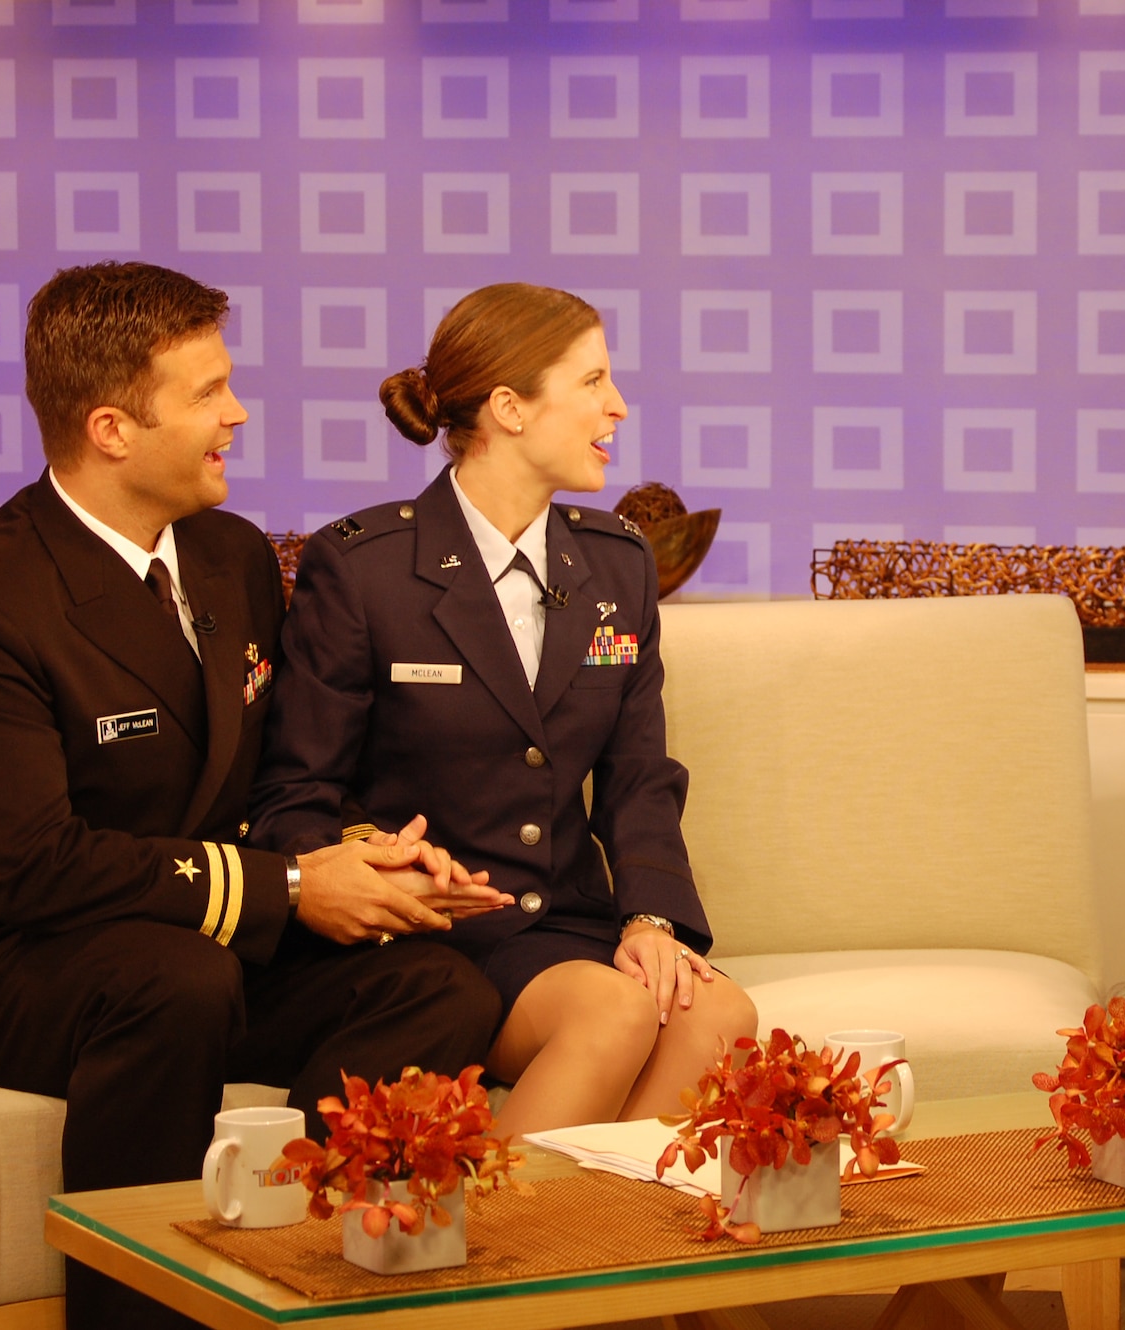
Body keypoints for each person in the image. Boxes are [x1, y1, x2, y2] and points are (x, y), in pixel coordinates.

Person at [0, 262, 502, 1330]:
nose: (238, 412)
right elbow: (32, 865)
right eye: (210, 391)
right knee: (175, 982)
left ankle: (318, 1270)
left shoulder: (229, 555)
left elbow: (263, 778)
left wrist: (359, 856)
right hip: (1, 958)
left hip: (198, 941)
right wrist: (293, 884)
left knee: (436, 983)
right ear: (114, 427)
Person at [250, 282, 758, 1140]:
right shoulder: (364, 568)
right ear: (510, 407)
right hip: (433, 934)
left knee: (720, 1015)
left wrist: (651, 920)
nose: (619, 406)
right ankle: (505, 1257)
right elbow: (294, 796)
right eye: (593, 381)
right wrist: (376, 860)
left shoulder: (617, 564)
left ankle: (577, 1255)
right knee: (615, 1012)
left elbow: (638, 776)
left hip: (563, 919)